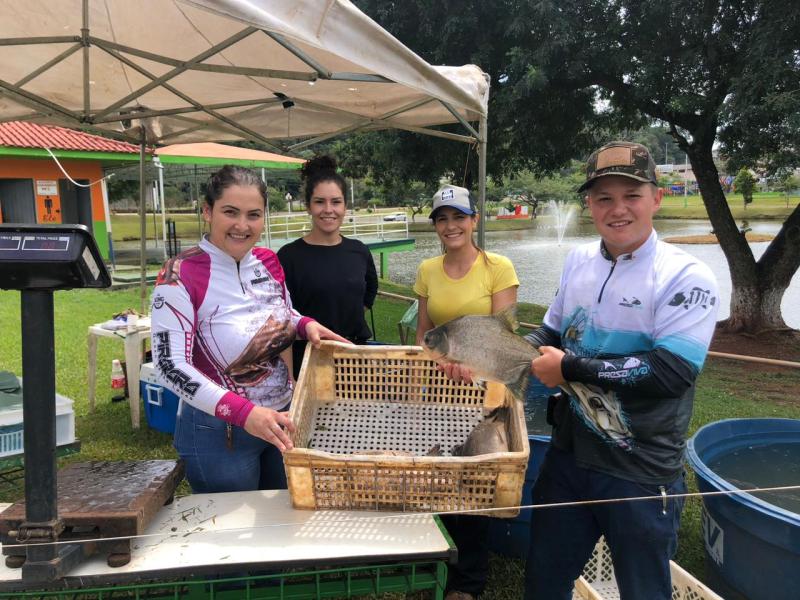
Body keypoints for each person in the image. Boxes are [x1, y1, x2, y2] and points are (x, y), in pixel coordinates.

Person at [524, 142, 719, 599]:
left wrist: (569, 367)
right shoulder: (577, 263)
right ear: (589, 205)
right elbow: (549, 332)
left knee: (644, 590)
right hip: (568, 457)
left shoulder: (685, 276)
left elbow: (671, 372)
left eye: (631, 195)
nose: (618, 209)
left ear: (657, 197)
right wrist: (497, 355)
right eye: (603, 197)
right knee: (545, 579)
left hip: (641, 470)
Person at [150, 165, 347, 494]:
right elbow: (170, 366)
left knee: (286, 520)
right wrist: (244, 414)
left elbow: (282, 313)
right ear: (208, 212)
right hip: (218, 431)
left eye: (253, 215)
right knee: (232, 534)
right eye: (230, 212)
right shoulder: (180, 274)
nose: (242, 225)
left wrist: (304, 324)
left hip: (284, 418)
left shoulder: (269, 261)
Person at [414, 184, 519, 600]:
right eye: (442, 218)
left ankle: (468, 581)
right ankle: (436, 561)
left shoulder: (498, 267)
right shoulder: (426, 270)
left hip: (485, 390)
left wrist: (472, 368)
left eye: (459, 216)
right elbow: (424, 333)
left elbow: (502, 335)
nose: (451, 225)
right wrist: (440, 365)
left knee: (473, 481)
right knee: (435, 477)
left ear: (474, 220)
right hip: (437, 389)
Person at [277, 156, 378, 379]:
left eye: (336, 202)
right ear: (308, 206)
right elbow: (280, 316)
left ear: (345, 206)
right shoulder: (288, 256)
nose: (328, 209)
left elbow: (370, 289)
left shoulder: (359, 251)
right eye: (320, 202)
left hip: (355, 358)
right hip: (308, 359)